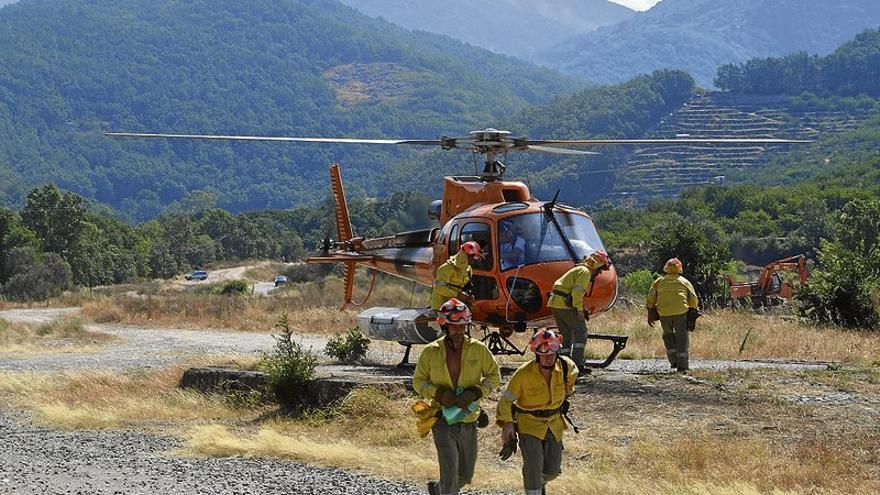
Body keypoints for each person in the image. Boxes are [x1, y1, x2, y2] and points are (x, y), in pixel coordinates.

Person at [413, 298, 501, 495]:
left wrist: (476, 392)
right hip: (441, 420)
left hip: (468, 419)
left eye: (462, 326)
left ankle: (438, 490)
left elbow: (494, 376)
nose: (459, 330)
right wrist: (439, 393)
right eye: (454, 326)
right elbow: (418, 382)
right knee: (450, 472)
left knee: (466, 475)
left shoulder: (479, 349)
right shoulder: (431, 351)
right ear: (445, 325)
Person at [496, 329, 579, 495]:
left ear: (557, 351)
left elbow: (569, 389)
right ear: (536, 353)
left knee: (552, 471)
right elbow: (505, 401)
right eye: (543, 351)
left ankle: (535, 483)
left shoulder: (567, 367)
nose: (547, 355)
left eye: (551, 351)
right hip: (529, 424)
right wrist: (508, 425)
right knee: (533, 465)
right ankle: (532, 486)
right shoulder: (523, 374)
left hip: (554, 423)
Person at [546, 250, 610, 369]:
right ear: (596, 265)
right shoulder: (585, 272)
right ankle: (577, 364)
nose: (600, 272)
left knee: (566, 334)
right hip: (564, 305)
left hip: (555, 304)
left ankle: (564, 363)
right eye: (601, 268)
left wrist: (580, 307)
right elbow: (577, 292)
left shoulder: (578, 269)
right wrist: (579, 311)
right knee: (581, 332)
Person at [646, 257, 699, 372]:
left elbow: (651, 298)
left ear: (666, 268)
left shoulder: (659, 281)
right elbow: (693, 298)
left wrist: (650, 310)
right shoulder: (684, 281)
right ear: (680, 269)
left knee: (668, 335)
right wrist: (693, 309)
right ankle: (683, 365)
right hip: (681, 312)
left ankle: (673, 360)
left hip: (664, 313)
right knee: (682, 337)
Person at [430, 241, 481, 311]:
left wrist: (468, 296)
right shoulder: (446, 268)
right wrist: (458, 295)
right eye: (473, 257)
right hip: (441, 306)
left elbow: (465, 286)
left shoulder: (468, 269)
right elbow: (439, 287)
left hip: (454, 306)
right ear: (465, 255)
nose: (473, 261)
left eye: (476, 258)